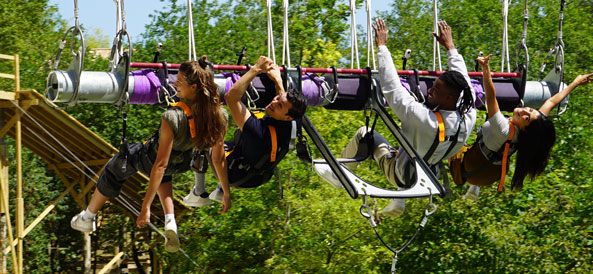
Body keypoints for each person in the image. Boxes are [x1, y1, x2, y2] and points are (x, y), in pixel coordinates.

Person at [318, 19, 477, 217]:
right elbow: (466, 85)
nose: (430, 91)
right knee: (412, 148)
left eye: (436, 90)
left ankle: (338, 176)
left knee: (365, 134)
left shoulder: (424, 119)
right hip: (428, 175)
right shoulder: (468, 117)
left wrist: (382, 47)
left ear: (449, 97)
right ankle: (399, 198)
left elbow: (392, 88)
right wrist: (450, 48)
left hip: (401, 173)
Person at [70, 56, 230, 253]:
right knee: (167, 171)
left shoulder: (172, 117)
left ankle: (87, 217)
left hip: (150, 159)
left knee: (116, 167)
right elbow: (218, 158)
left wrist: (145, 208)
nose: (175, 83)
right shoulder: (220, 116)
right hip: (183, 163)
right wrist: (226, 193)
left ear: (194, 87)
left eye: (180, 81)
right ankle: (170, 221)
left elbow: (159, 165)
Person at [449, 54, 593, 199]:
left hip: (473, 169)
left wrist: (486, 69)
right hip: (494, 172)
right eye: (530, 109)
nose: (524, 110)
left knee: (450, 144)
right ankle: (476, 186)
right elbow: (551, 102)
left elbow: (491, 96)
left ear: (525, 128)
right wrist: (576, 83)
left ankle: (448, 170)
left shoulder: (503, 130)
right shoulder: (532, 131)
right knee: (493, 130)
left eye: (526, 117)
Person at [182, 56, 307, 205]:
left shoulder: (259, 132)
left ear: (287, 118)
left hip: (236, 177)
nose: (274, 102)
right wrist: (278, 80)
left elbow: (231, 98)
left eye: (279, 105)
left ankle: (199, 192)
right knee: (242, 136)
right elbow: (284, 101)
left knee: (207, 132)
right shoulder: (293, 122)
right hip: (258, 175)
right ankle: (220, 190)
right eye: (277, 98)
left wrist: (256, 69)